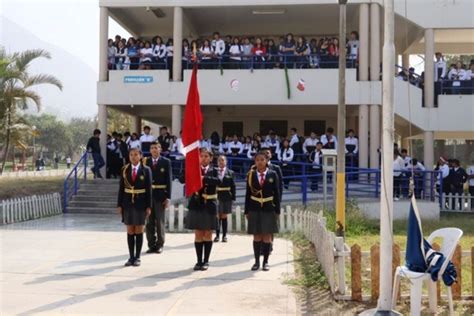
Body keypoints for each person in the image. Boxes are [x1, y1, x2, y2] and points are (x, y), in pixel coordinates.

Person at [245, 151, 281, 271]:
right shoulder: (251, 175)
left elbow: (276, 193)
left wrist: (277, 210)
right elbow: (248, 194)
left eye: (262, 160)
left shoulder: (272, 174)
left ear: (266, 161)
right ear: (255, 162)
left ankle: (266, 262)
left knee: (267, 236)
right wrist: (246, 210)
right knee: (257, 236)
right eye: (257, 160)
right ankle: (256, 262)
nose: (260, 162)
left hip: (268, 208)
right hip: (254, 208)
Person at [117, 147, 152, 267]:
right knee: (130, 230)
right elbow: (121, 188)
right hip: (127, 203)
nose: (133, 157)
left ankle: (137, 257)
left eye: (136, 154)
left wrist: (149, 206)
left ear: (141, 156)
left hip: (141, 203)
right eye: (131, 155)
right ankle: (131, 256)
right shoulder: (125, 169)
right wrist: (119, 204)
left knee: (139, 230)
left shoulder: (146, 170)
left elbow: (149, 190)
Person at [185, 148, 220, 271]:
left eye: (206, 156)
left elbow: (219, 181)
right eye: (202, 156)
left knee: (208, 233)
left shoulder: (215, 170)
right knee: (199, 233)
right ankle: (198, 261)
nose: (204, 158)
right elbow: (186, 180)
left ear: (211, 158)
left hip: (210, 205)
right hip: (197, 204)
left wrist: (203, 178)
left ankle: (206, 261)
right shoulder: (194, 169)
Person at [143, 142, 172, 254]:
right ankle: (151, 244)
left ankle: (160, 244)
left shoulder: (166, 162)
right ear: (150, 150)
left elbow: (169, 180)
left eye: (156, 148)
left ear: (160, 149)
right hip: (149, 195)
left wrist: (168, 197)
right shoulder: (146, 162)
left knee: (159, 221)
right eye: (152, 148)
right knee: (149, 222)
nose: (154, 150)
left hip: (160, 195)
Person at [214, 155, 236, 243]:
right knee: (217, 216)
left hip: (227, 196)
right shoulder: (214, 172)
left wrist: (233, 197)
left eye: (223, 160)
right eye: (219, 160)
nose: (221, 162)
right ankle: (217, 235)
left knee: (224, 216)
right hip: (217, 195)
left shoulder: (230, 172)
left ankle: (224, 235)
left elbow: (233, 186)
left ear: (226, 162)